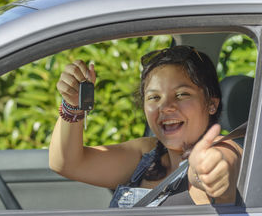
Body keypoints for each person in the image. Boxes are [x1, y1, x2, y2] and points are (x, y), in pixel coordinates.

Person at [49, 45, 242, 207]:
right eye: (154, 97)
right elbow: (68, 163)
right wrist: (73, 105)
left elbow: (223, 163)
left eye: (182, 94)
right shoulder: (147, 153)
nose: (165, 107)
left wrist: (208, 172)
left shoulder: (222, 147)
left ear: (211, 104)